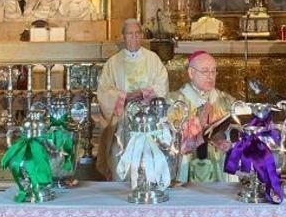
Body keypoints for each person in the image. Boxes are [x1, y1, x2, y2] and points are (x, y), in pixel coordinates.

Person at [96, 19, 169, 179]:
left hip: (149, 118)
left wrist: (145, 93)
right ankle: (120, 185)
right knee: (118, 150)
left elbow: (162, 84)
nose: (134, 38)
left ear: (141, 35)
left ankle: (149, 184)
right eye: (130, 34)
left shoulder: (153, 59)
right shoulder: (113, 62)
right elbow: (104, 91)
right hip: (123, 119)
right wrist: (124, 96)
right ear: (123, 37)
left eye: (137, 34)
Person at [168, 51, 236, 182]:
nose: (210, 76)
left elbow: (240, 128)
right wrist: (199, 123)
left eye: (213, 71)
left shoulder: (226, 100)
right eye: (205, 71)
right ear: (191, 73)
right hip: (187, 169)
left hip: (220, 170)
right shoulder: (175, 101)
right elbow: (170, 140)